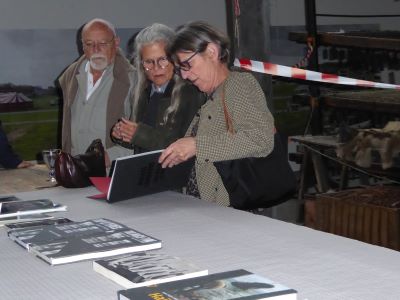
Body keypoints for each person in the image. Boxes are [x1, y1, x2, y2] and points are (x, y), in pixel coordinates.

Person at [159, 21, 275, 207]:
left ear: (212, 52)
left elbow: (261, 138)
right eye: (180, 69)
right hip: (207, 207)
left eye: (187, 64)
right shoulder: (211, 94)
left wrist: (197, 145)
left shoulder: (238, 84)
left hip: (228, 210)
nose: (185, 76)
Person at [111, 23, 205, 153]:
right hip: (147, 171)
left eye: (162, 60)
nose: (156, 68)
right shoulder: (144, 93)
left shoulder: (191, 92)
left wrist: (139, 134)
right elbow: (142, 145)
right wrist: (123, 135)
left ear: (175, 58)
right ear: (141, 64)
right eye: (148, 62)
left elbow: (189, 145)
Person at [59, 18, 135, 168]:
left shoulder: (133, 79)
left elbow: (141, 137)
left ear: (116, 42)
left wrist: (109, 157)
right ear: (82, 46)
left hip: (110, 173)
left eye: (102, 43)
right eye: (89, 44)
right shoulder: (70, 76)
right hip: (75, 172)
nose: (96, 49)